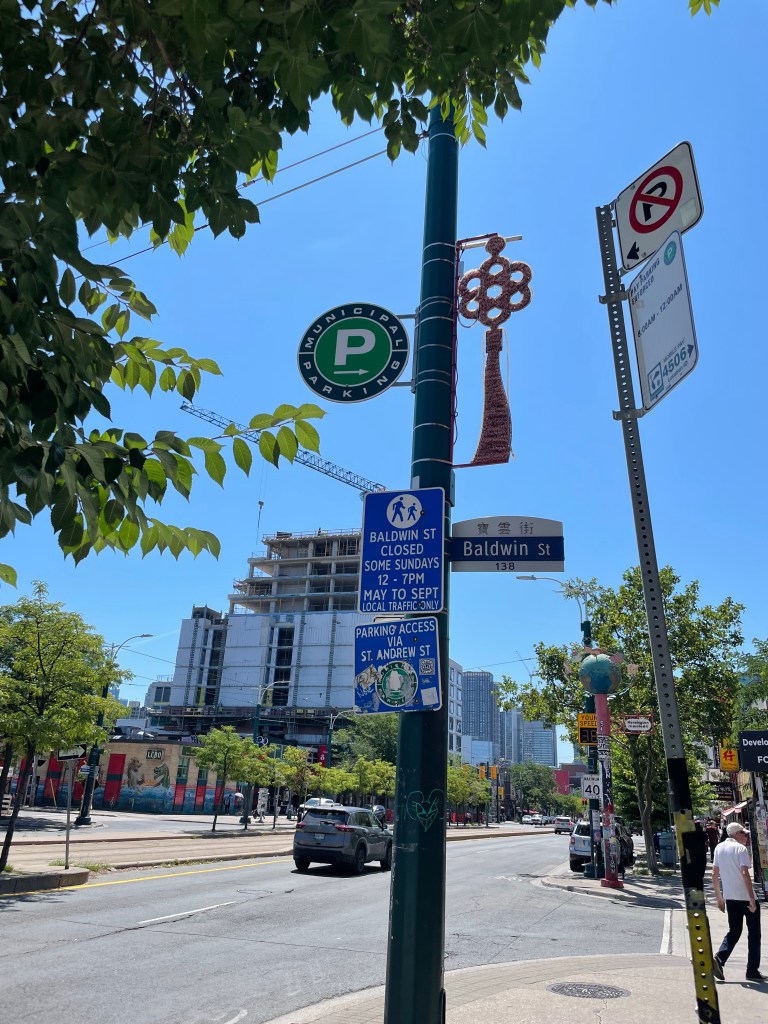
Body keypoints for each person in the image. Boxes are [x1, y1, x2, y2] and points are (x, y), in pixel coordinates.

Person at [712, 822, 765, 983]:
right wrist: (752, 899)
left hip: (730, 897)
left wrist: (719, 898)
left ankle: (720, 958)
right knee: (754, 934)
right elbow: (745, 874)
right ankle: (752, 970)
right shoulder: (740, 849)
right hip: (746, 897)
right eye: (743, 833)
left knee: (734, 931)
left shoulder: (719, 848)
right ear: (736, 834)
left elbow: (715, 874)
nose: (746, 836)